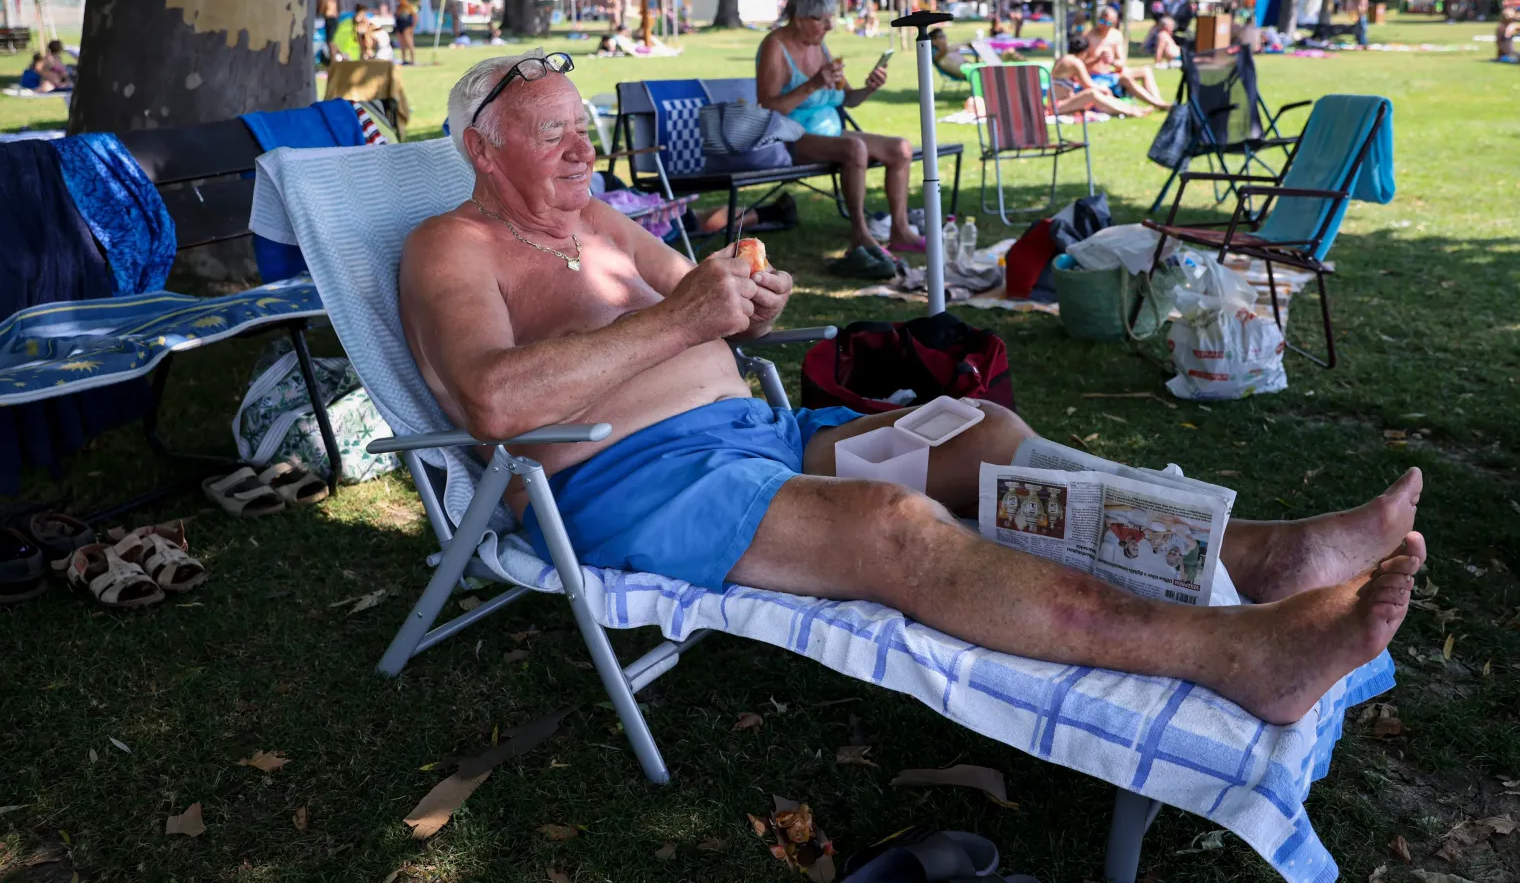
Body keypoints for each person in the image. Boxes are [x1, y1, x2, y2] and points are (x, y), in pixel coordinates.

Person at [398, 48, 1430, 727]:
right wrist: (682, 319)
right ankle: (1230, 652)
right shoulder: (452, 248)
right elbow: (491, 402)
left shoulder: (597, 225)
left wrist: (747, 302)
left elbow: (711, 303)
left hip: (759, 433)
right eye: (553, 135)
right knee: (891, 521)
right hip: (636, 485)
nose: (585, 148)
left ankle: (1264, 553)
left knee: (974, 427)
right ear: (482, 151)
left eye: (584, 126)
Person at [757, 0, 920, 279]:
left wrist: (868, 89)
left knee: (901, 148)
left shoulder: (818, 44)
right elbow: (769, 109)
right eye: (821, 19)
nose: (829, 26)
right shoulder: (774, 47)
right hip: (790, 137)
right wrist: (813, 84)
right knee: (855, 148)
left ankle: (900, 230)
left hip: (831, 133)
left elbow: (847, 98)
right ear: (799, 19)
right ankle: (859, 231)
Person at [1082, 7, 1171, 109]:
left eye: (1109, 23)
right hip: (1096, 76)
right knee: (1125, 78)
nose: (1105, 26)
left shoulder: (1116, 35)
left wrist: (1112, 62)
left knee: (1145, 70)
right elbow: (1081, 65)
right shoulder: (1088, 36)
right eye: (1102, 21)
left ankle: (1158, 100)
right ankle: (1157, 104)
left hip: (1112, 72)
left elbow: (1122, 62)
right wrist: (1098, 59)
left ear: (1115, 22)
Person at [1050, 35, 1152, 118]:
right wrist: (1103, 89)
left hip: (1058, 104)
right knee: (1092, 93)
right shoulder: (1075, 62)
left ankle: (1133, 110)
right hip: (1057, 106)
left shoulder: (1062, 59)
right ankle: (1132, 111)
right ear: (1083, 52)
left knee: (1095, 94)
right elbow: (1088, 84)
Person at [395, 0, 417, 65]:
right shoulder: (399, 7)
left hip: (407, 28)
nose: (400, 0)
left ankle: (412, 60)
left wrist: (412, 27)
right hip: (399, 28)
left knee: (410, 44)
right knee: (402, 45)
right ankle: (404, 60)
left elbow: (415, 17)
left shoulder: (410, 7)